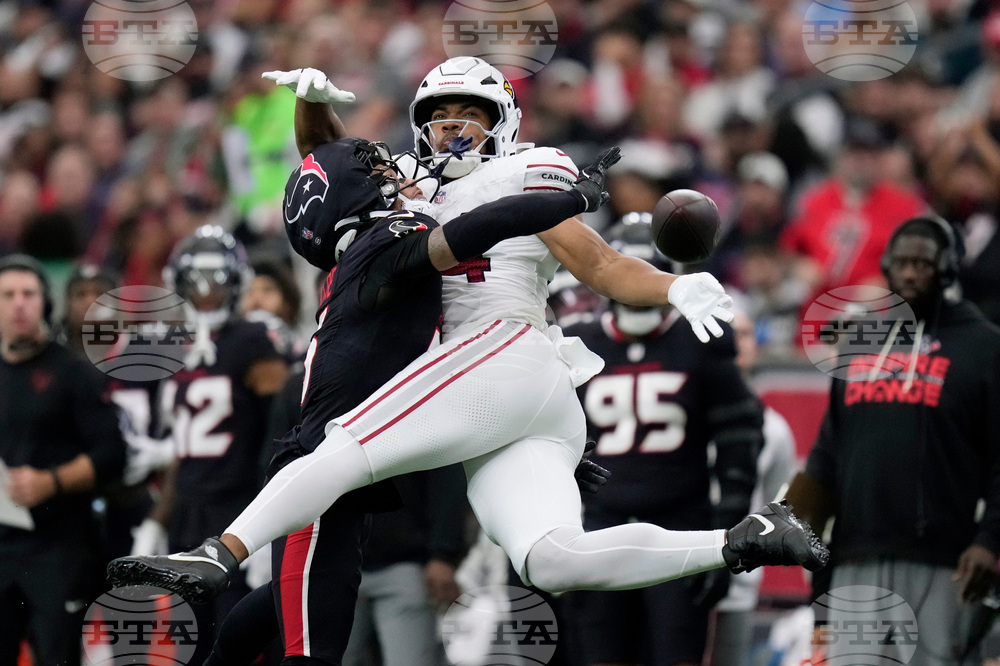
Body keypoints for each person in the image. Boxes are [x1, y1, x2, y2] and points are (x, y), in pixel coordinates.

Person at [109, 59, 826, 615]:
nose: (453, 129)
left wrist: (672, 286)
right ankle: (745, 539)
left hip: (501, 349)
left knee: (343, 446)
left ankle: (220, 552)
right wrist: (312, 101)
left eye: (470, 116)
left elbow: (599, 263)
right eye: (440, 117)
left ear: (502, 123)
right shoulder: (412, 183)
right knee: (551, 559)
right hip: (517, 399)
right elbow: (329, 173)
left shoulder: (523, 170)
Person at [172, 134, 619, 666]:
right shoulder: (388, 237)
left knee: (286, 606)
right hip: (322, 478)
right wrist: (574, 198)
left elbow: (456, 373)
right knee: (310, 651)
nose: (394, 175)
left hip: (344, 475)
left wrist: (538, 436)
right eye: (375, 173)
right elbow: (487, 223)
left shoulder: (364, 260)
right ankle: (218, 555)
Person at [788, 215, 1000, 665]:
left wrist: (989, 540)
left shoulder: (985, 347)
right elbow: (828, 450)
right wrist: (797, 524)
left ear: (947, 269)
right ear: (886, 267)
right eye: (901, 263)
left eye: (922, 264)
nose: (909, 274)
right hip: (855, 555)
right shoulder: (860, 341)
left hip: (944, 559)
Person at [562, 214, 763, 666]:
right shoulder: (578, 344)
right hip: (599, 531)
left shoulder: (700, 339)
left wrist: (728, 532)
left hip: (679, 528)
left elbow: (739, 442)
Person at [130, 225, 290, 665]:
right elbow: (187, 452)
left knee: (241, 644)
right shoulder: (180, 345)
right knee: (191, 645)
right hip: (188, 514)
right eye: (196, 284)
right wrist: (157, 520)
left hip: (237, 512)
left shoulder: (252, 340)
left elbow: (284, 433)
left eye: (217, 283)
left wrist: (270, 525)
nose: (206, 295)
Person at [0, 254, 127, 665]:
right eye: (8, 295)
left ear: (46, 302)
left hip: (59, 545)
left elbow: (112, 455)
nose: (19, 304)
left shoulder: (74, 371)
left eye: (28, 294)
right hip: (3, 542)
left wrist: (50, 482)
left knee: (57, 656)